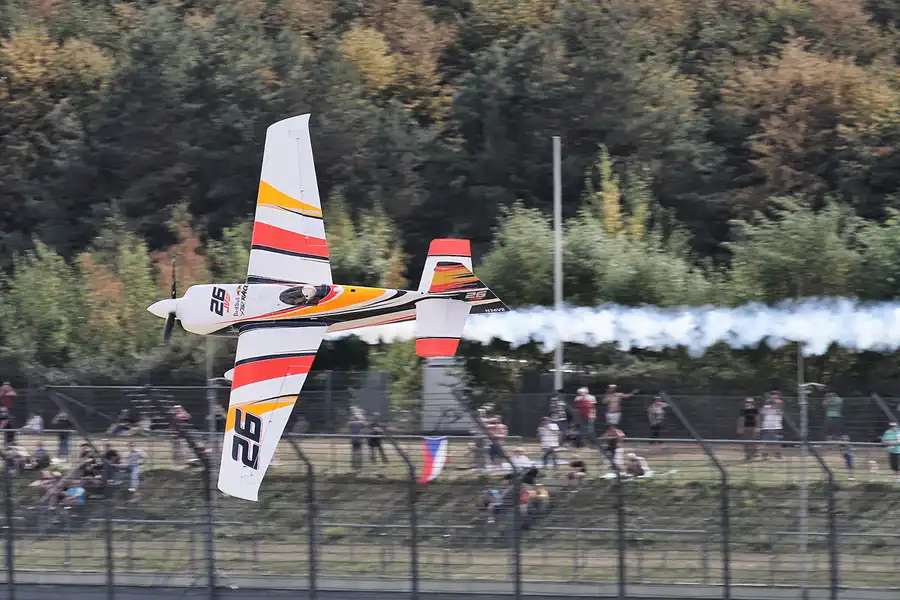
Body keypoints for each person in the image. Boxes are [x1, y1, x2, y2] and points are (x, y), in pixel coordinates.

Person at [759, 394, 784, 460]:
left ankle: (778, 454)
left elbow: (780, 407)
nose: (774, 401)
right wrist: (766, 403)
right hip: (767, 427)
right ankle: (764, 455)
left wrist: (775, 403)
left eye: (775, 399)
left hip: (776, 427)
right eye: (773, 399)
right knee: (765, 442)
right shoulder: (766, 407)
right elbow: (761, 412)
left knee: (777, 442)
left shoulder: (779, 407)